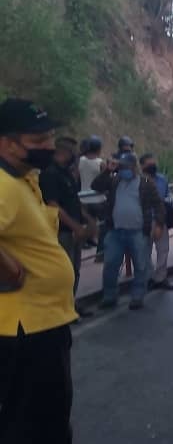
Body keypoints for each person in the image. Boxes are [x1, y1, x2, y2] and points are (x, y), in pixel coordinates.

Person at [0, 98, 78, 443]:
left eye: (50, 137)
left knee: (52, 420)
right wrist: (7, 269)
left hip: (46, 322)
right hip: (25, 331)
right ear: (7, 143)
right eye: (38, 140)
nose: (49, 146)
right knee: (32, 427)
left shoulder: (25, 180)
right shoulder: (2, 185)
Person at [92, 152, 165, 310]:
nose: (124, 170)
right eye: (122, 167)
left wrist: (158, 224)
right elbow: (95, 186)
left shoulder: (145, 183)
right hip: (116, 231)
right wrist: (108, 170)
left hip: (138, 231)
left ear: (134, 167)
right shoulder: (115, 181)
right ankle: (110, 296)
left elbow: (158, 204)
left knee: (141, 265)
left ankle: (137, 296)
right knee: (110, 265)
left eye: (127, 167)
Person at [40, 136, 97, 318]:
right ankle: (60, 309)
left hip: (74, 229)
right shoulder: (50, 174)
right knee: (63, 272)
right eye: (74, 153)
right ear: (64, 152)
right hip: (62, 232)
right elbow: (53, 206)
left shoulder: (67, 174)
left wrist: (87, 220)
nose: (76, 156)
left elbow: (74, 200)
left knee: (74, 270)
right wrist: (75, 227)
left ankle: (70, 305)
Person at [140, 153, 173, 291]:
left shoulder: (162, 179)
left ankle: (160, 278)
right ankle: (148, 278)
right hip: (144, 220)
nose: (152, 166)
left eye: (153, 163)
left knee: (163, 249)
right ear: (142, 165)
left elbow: (167, 197)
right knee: (144, 250)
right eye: (149, 164)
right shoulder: (139, 180)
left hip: (160, 219)